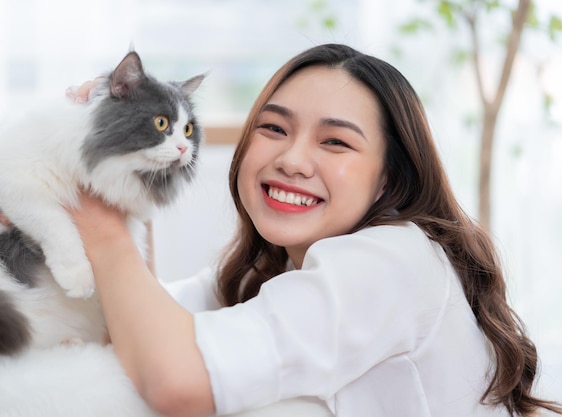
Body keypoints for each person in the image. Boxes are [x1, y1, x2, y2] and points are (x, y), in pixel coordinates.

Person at [66, 44, 562, 417]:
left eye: (336, 142)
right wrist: (121, 179)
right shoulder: (264, 271)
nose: (292, 160)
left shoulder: (395, 260)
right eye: (274, 129)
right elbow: (136, 330)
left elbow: (175, 379)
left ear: (388, 178)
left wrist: (94, 212)